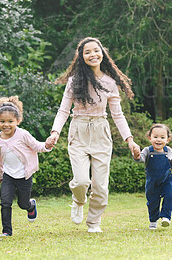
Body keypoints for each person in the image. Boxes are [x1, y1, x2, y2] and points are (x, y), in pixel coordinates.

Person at [47, 37, 141, 233]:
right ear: (81, 57)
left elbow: (117, 114)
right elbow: (64, 110)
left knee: (100, 186)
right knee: (81, 180)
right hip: (78, 130)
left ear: (102, 53)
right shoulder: (74, 81)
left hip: (101, 131)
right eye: (87, 52)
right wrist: (55, 132)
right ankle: (78, 200)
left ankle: (94, 222)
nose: (92, 55)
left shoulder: (109, 82)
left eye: (96, 51)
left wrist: (130, 140)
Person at [0, 96, 54, 237]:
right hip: (8, 176)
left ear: (17, 121)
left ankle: (30, 205)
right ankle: (6, 231)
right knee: (5, 202)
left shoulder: (23, 134)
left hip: (24, 175)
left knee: (22, 203)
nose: (6, 125)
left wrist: (47, 145)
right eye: (2, 121)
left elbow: (36, 146)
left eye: (10, 121)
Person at [133, 123, 172, 229]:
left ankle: (166, 217)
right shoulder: (147, 150)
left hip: (166, 179)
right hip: (152, 181)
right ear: (149, 138)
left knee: (169, 196)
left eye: (162, 137)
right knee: (152, 201)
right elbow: (141, 159)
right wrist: (137, 155)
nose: (158, 140)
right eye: (155, 137)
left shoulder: (168, 150)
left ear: (168, 139)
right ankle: (153, 220)